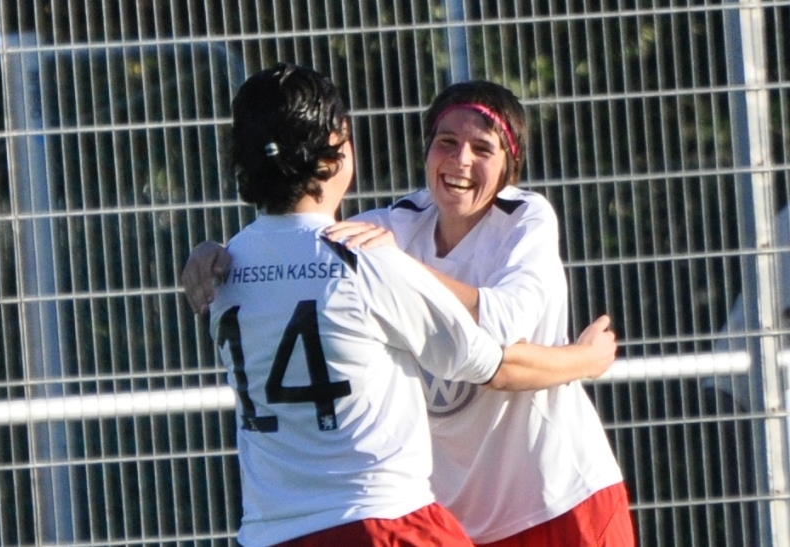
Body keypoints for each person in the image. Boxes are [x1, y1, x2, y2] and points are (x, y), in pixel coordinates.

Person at [185, 76, 634, 546]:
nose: (461, 159)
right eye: (447, 142)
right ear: (337, 155)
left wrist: (213, 252)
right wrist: (586, 360)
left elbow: (504, 322)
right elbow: (486, 362)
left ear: (510, 166)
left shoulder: (525, 220)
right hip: (412, 517)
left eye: (482, 148)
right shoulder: (381, 241)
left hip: (550, 495)